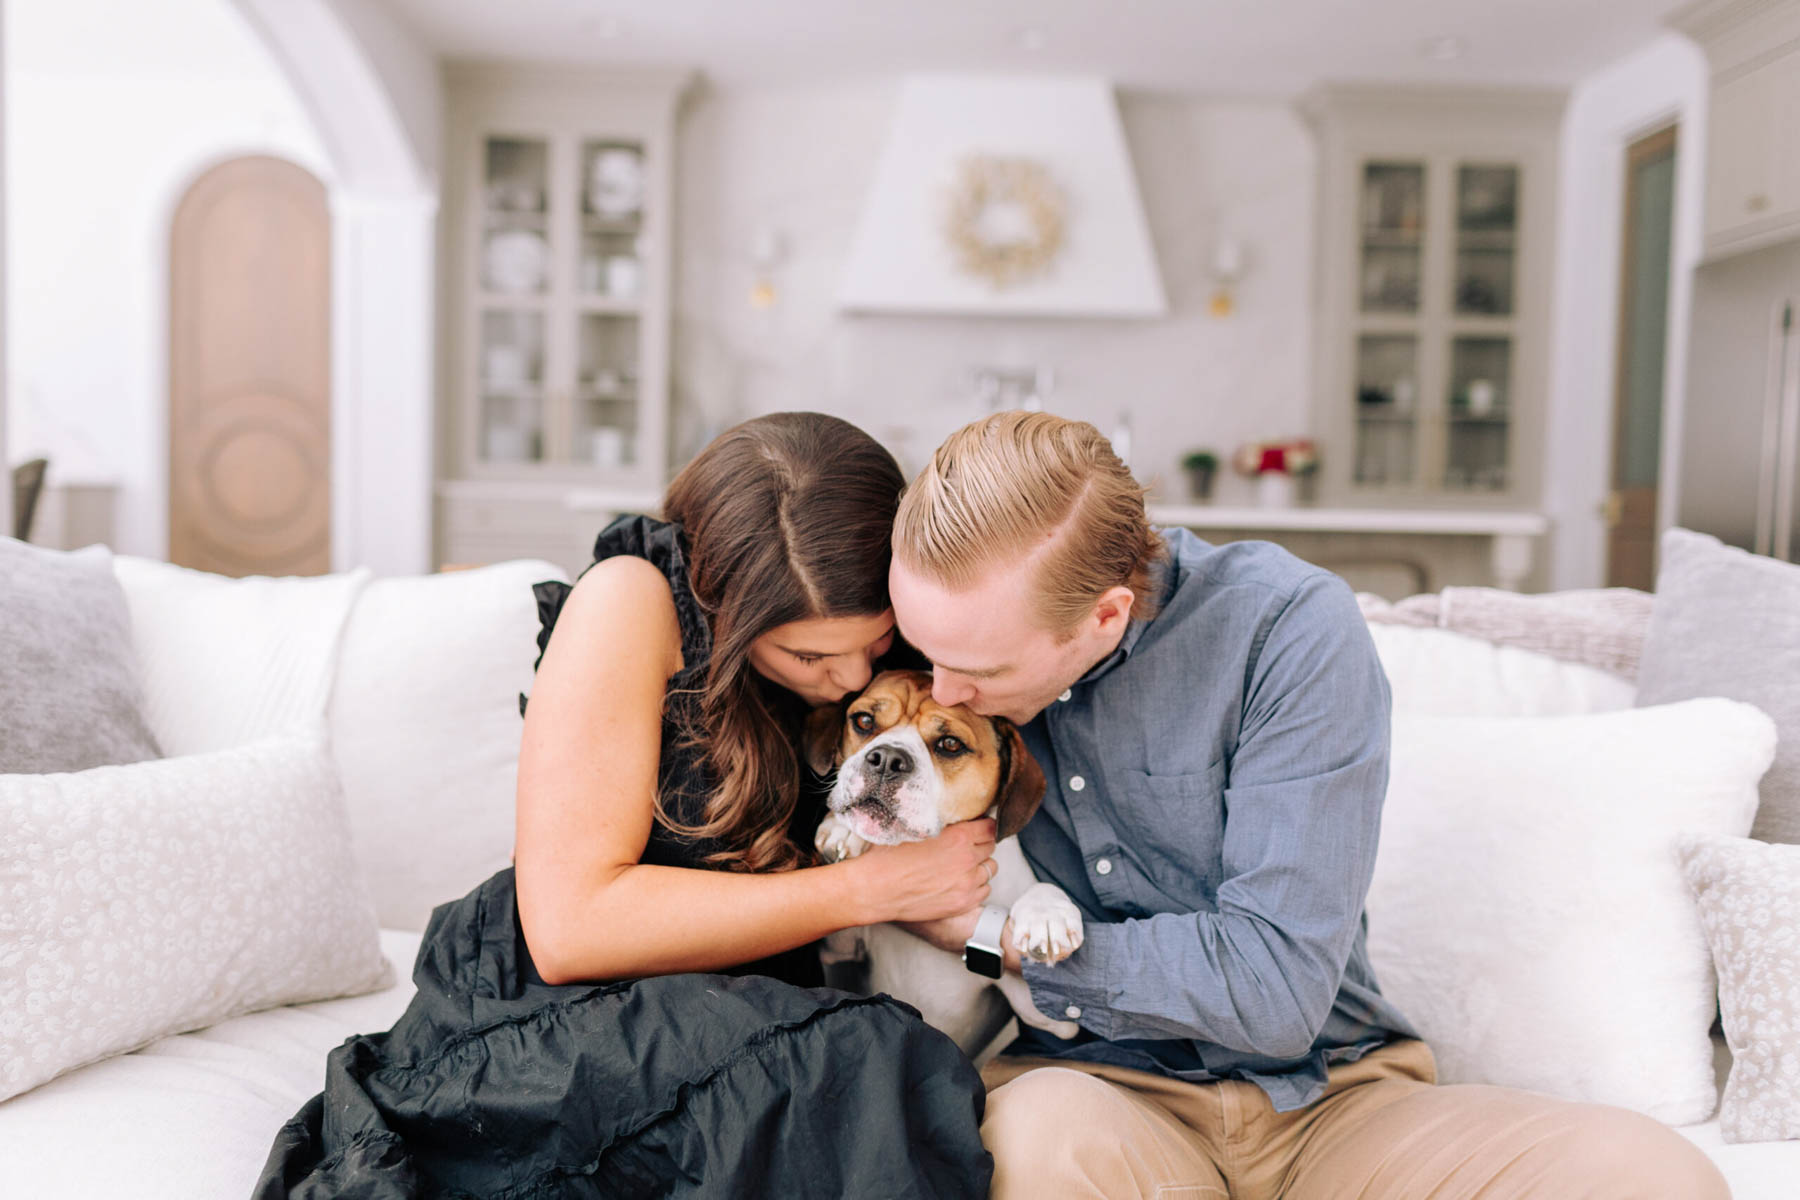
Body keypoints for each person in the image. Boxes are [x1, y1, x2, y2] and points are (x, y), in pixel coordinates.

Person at [884, 409, 1730, 1200]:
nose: (946, 693)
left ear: (1105, 617)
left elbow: (1275, 990)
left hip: (1333, 1102)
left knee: (1653, 1175)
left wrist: (992, 941)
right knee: (1034, 1141)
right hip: (1099, 1098)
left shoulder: (1285, 630)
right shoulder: (942, 653)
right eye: (925, 654)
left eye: (983, 673)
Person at [255, 413, 997, 1199]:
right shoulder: (632, 599)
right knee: (863, 1065)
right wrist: (866, 891)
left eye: (876, 645)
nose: (852, 681)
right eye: (808, 655)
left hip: (748, 1001)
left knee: (866, 1067)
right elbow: (571, 930)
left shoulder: (898, 667)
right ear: (725, 605)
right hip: (571, 1004)